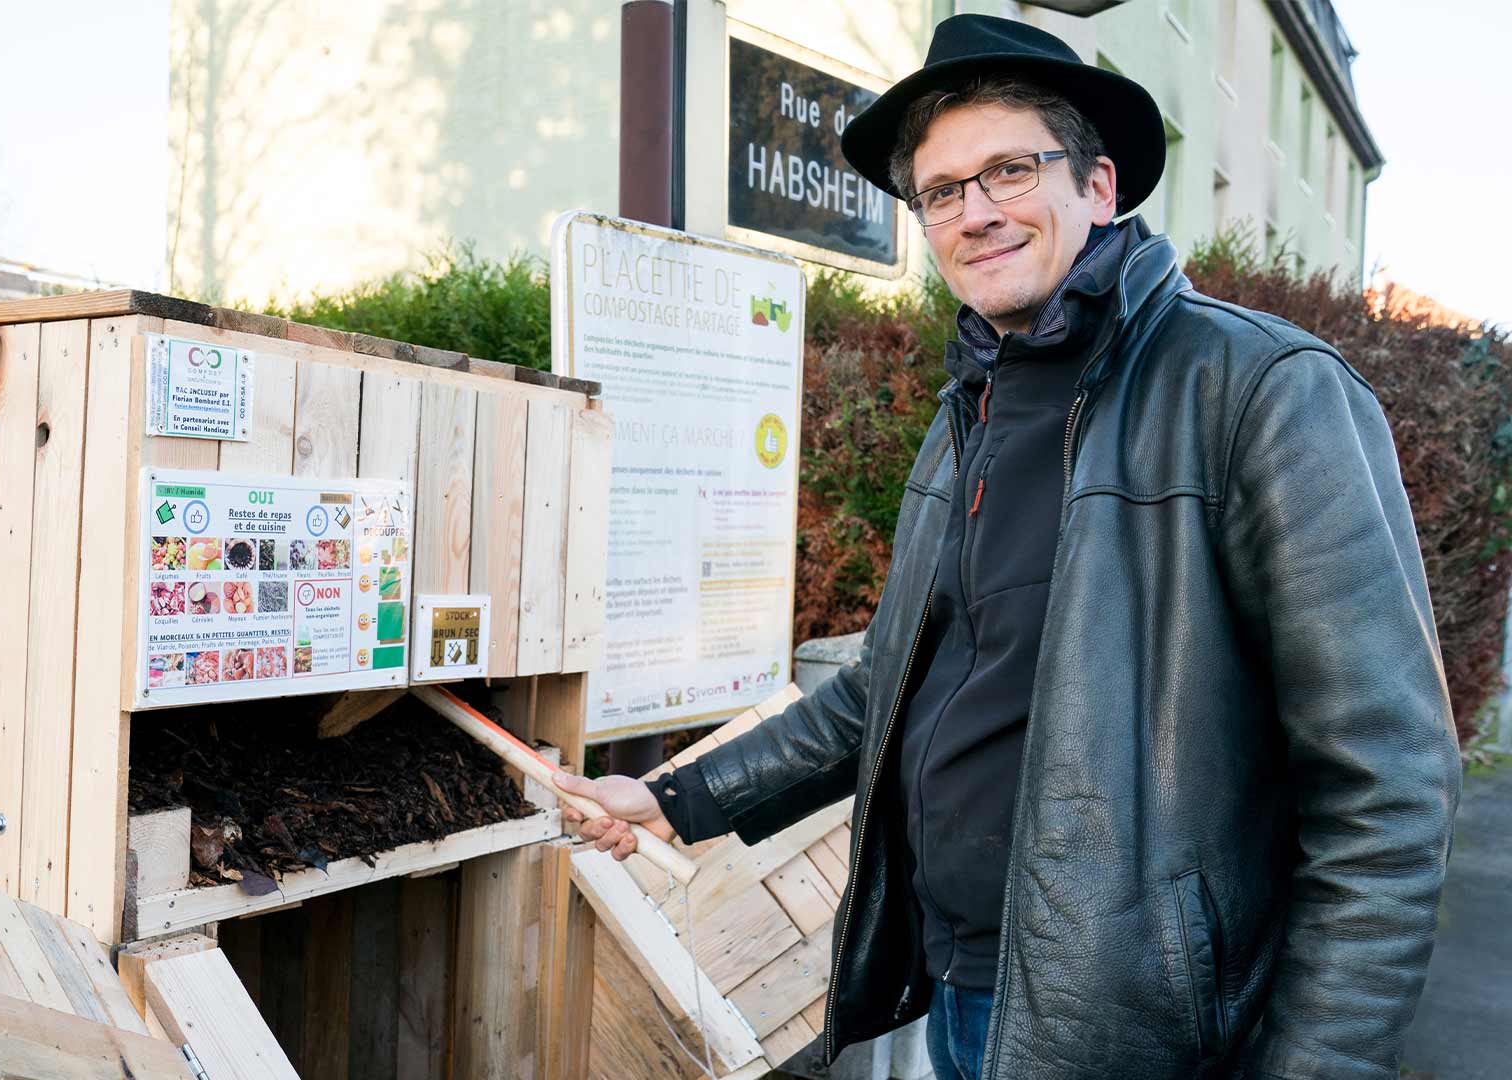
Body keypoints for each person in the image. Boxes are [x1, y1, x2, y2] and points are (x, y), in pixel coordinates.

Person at [553, 14, 1459, 1080]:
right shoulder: (968, 411)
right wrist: (673, 798)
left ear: (1099, 187)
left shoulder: (1259, 390)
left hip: (1147, 1039)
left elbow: (1386, 790)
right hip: (964, 996)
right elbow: (881, 690)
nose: (975, 213)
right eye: (942, 191)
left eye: (1009, 171)